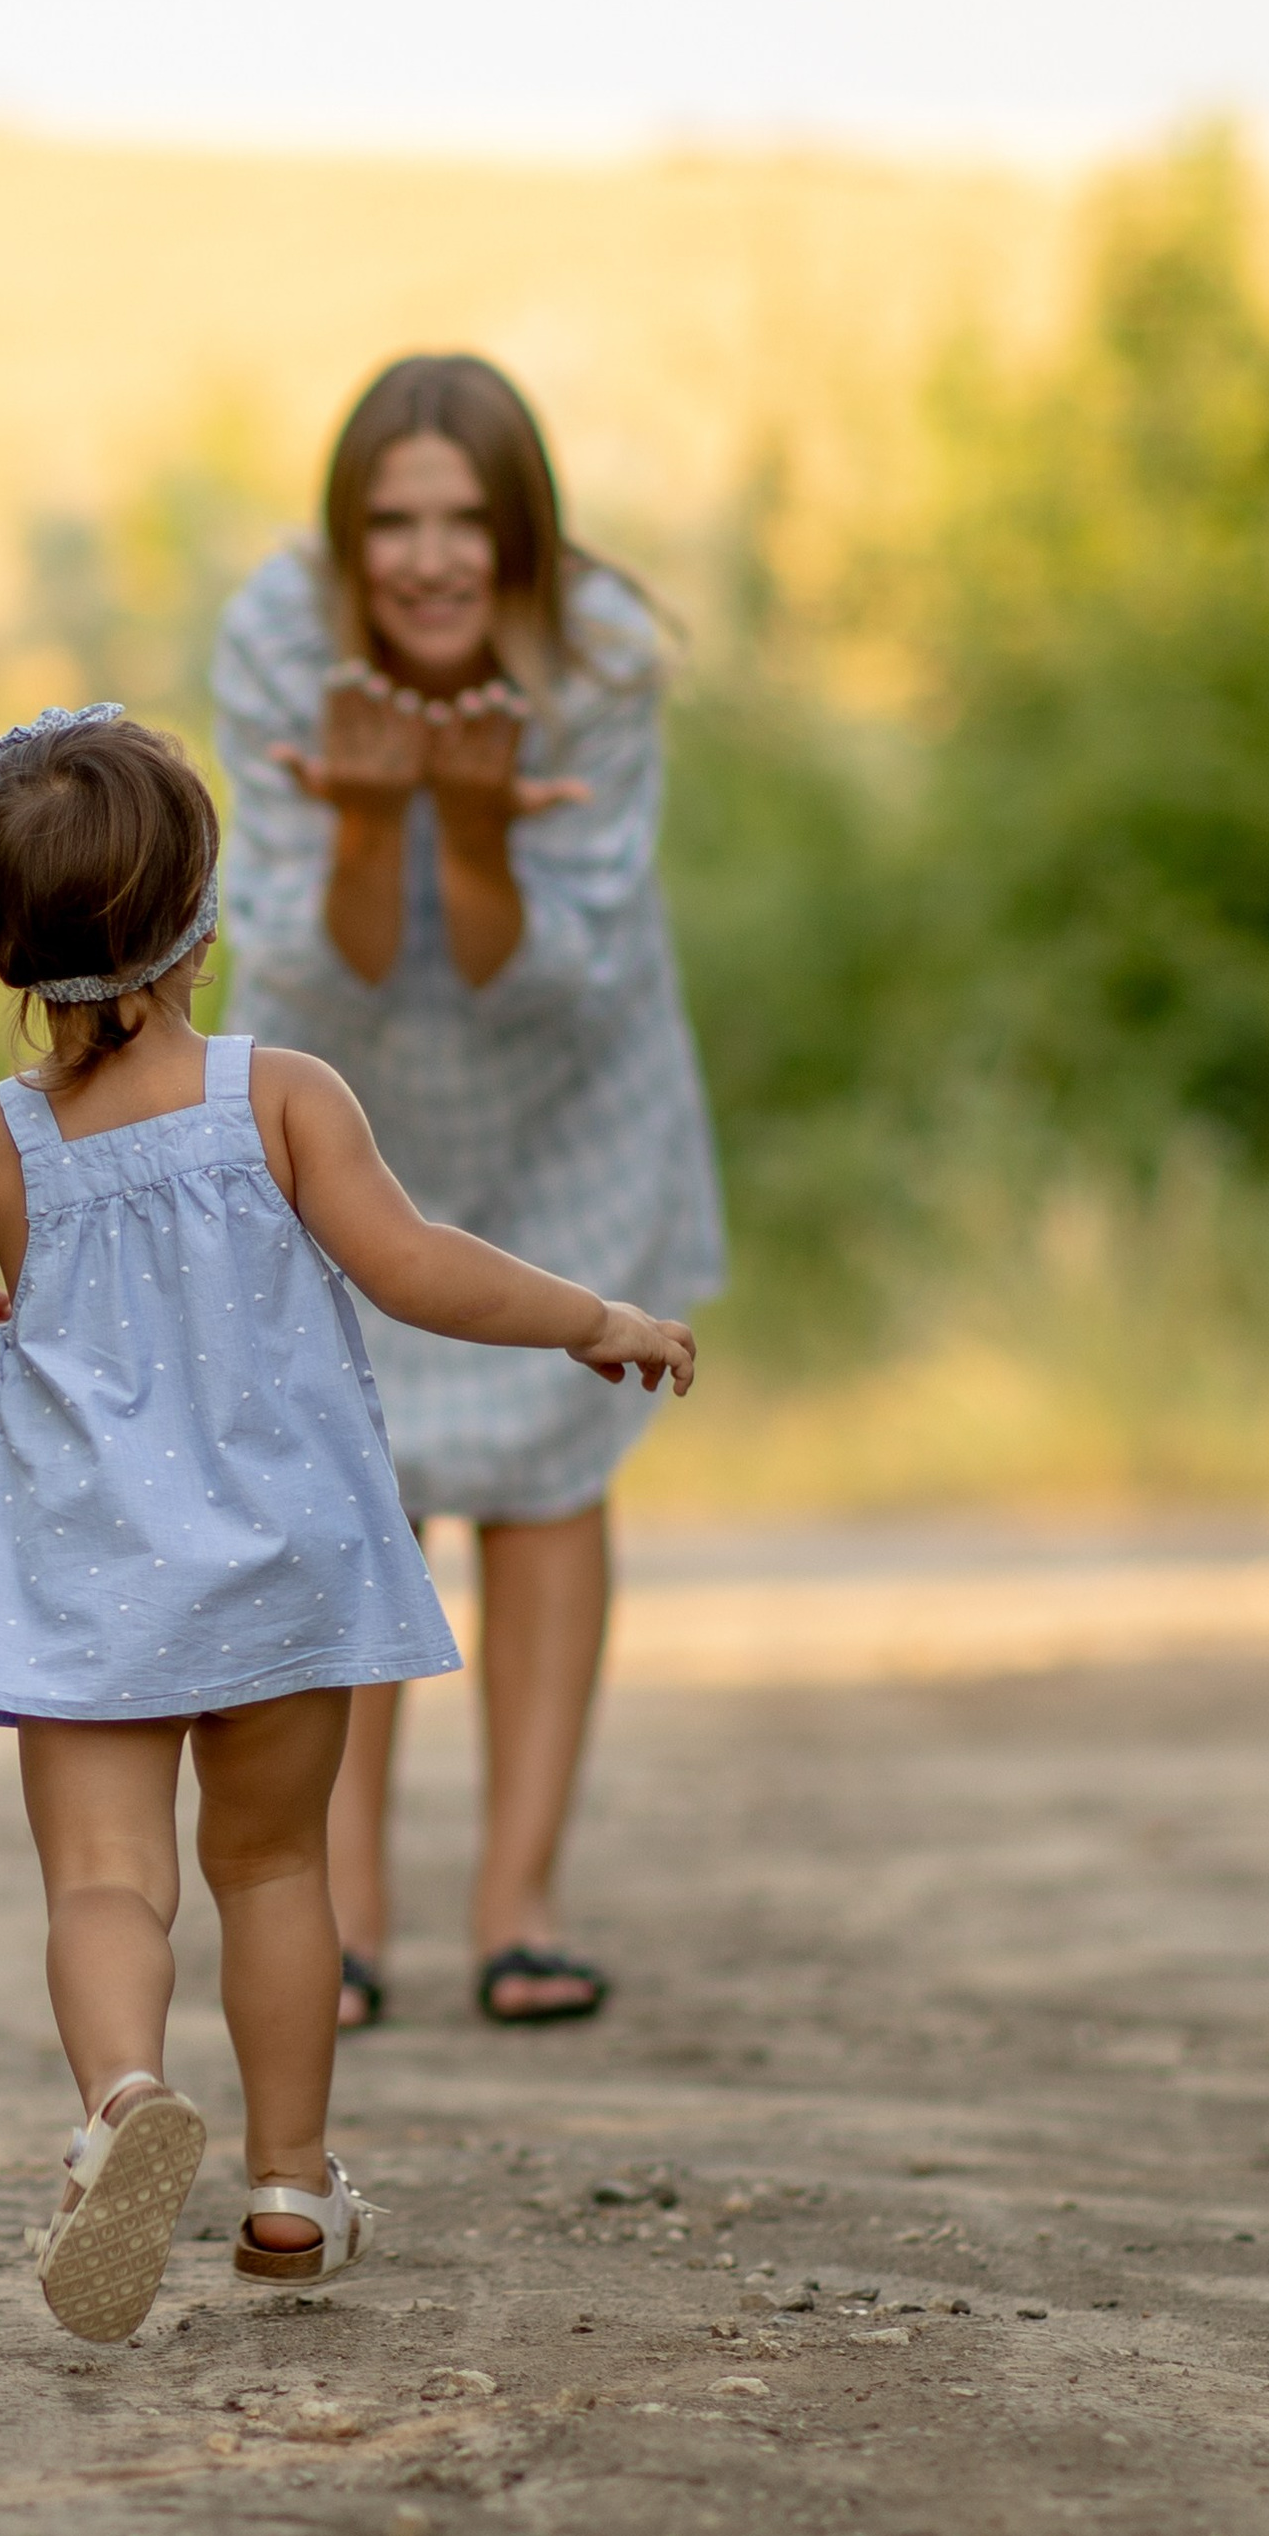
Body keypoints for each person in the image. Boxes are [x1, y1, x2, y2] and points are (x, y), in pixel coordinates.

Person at [0, 702, 695, 2346]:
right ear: (205, 917)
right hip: (280, 1565)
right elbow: (417, 1268)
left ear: (0, 945)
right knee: (272, 1868)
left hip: (87, 1579)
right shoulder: (281, 1097)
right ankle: (292, 2189)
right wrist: (590, 1315)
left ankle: (122, 2102)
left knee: (105, 1878)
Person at [214, 355, 723, 2032]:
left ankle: (519, 1908)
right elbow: (315, 965)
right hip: (344, 1088)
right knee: (350, 1468)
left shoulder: (605, 653)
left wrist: (483, 832)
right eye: (391, 523)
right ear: (343, 537)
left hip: (567, 1084)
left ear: (525, 534)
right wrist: (376, 822)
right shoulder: (276, 636)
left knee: (546, 1469)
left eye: (465, 522)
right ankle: (346, 1917)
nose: (429, 560)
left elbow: (553, 975)